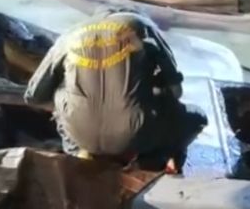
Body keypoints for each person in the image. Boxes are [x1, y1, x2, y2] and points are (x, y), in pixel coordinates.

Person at [24, 10, 207, 172]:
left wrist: (73, 105)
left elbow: (33, 96)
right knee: (197, 117)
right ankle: (150, 163)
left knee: (61, 96)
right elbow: (176, 92)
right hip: (138, 135)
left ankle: (78, 155)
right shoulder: (142, 27)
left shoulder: (69, 36)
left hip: (80, 137)